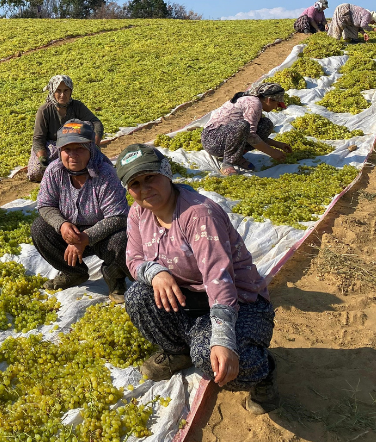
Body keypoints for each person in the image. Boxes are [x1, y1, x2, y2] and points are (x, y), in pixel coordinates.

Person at [115, 144, 278, 414]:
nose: (145, 189)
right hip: (190, 300)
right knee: (138, 296)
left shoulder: (199, 214)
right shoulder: (138, 213)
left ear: (166, 174)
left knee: (208, 356)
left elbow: (219, 280)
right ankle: (178, 351)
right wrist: (156, 273)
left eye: (150, 177)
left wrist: (223, 339)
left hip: (240, 302)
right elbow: (133, 260)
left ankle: (264, 370)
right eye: (135, 183)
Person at [30, 120, 130, 300]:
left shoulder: (105, 174)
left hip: (102, 235)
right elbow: (45, 205)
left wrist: (85, 238)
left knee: (122, 238)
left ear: (90, 149)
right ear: (60, 151)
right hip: (70, 233)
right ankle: (73, 272)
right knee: (39, 228)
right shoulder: (54, 171)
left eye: (80, 149)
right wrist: (62, 225)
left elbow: (118, 217)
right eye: (67, 149)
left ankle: (115, 276)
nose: (73, 155)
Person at [200, 83, 292, 176]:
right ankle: (228, 163)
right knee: (242, 126)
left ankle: (236, 157)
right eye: (277, 103)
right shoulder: (254, 104)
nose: (276, 107)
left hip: (227, 136)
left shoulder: (256, 102)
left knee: (265, 124)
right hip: (212, 140)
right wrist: (272, 152)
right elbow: (251, 135)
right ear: (269, 100)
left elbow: (252, 133)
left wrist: (277, 144)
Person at [27, 75, 104, 182]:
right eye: (58, 91)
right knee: (38, 171)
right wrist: (43, 158)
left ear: (70, 91)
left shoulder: (77, 106)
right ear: (53, 91)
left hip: (74, 144)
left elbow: (96, 123)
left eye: (66, 90)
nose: (62, 95)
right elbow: (38, 139)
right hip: (52, 148)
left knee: (88, 126)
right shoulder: (44, 110)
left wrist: (94, 145)